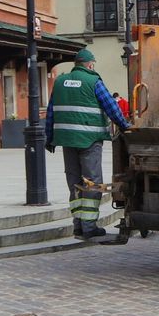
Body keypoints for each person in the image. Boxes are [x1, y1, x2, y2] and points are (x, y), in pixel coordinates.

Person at [45, 49, 131, 240]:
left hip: (67, 141)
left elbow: (51, 112)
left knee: (74, 183)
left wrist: (49, 138)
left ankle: (78, 226)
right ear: (90, 65)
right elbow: (111, 107)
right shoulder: (94, 82)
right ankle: (90, 226)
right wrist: (126, 127)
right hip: (89, 141)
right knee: (92, 183)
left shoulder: (59, 82)